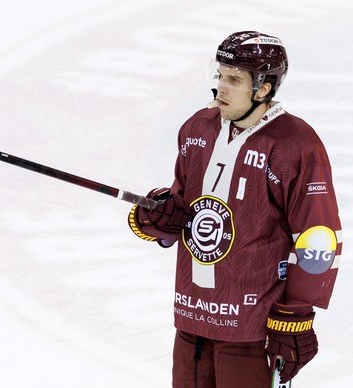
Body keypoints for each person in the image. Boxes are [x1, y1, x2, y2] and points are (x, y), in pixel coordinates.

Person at [128, 31, 342, 387]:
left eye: (234, 80)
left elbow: (317, 238)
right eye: (220, 75)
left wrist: (296, 315)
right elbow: (184, 210)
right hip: (192, 320)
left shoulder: (295, 145)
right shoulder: (197, 128)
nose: (220, 88)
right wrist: (157, 217)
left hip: (251, 331)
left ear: (263, 89)